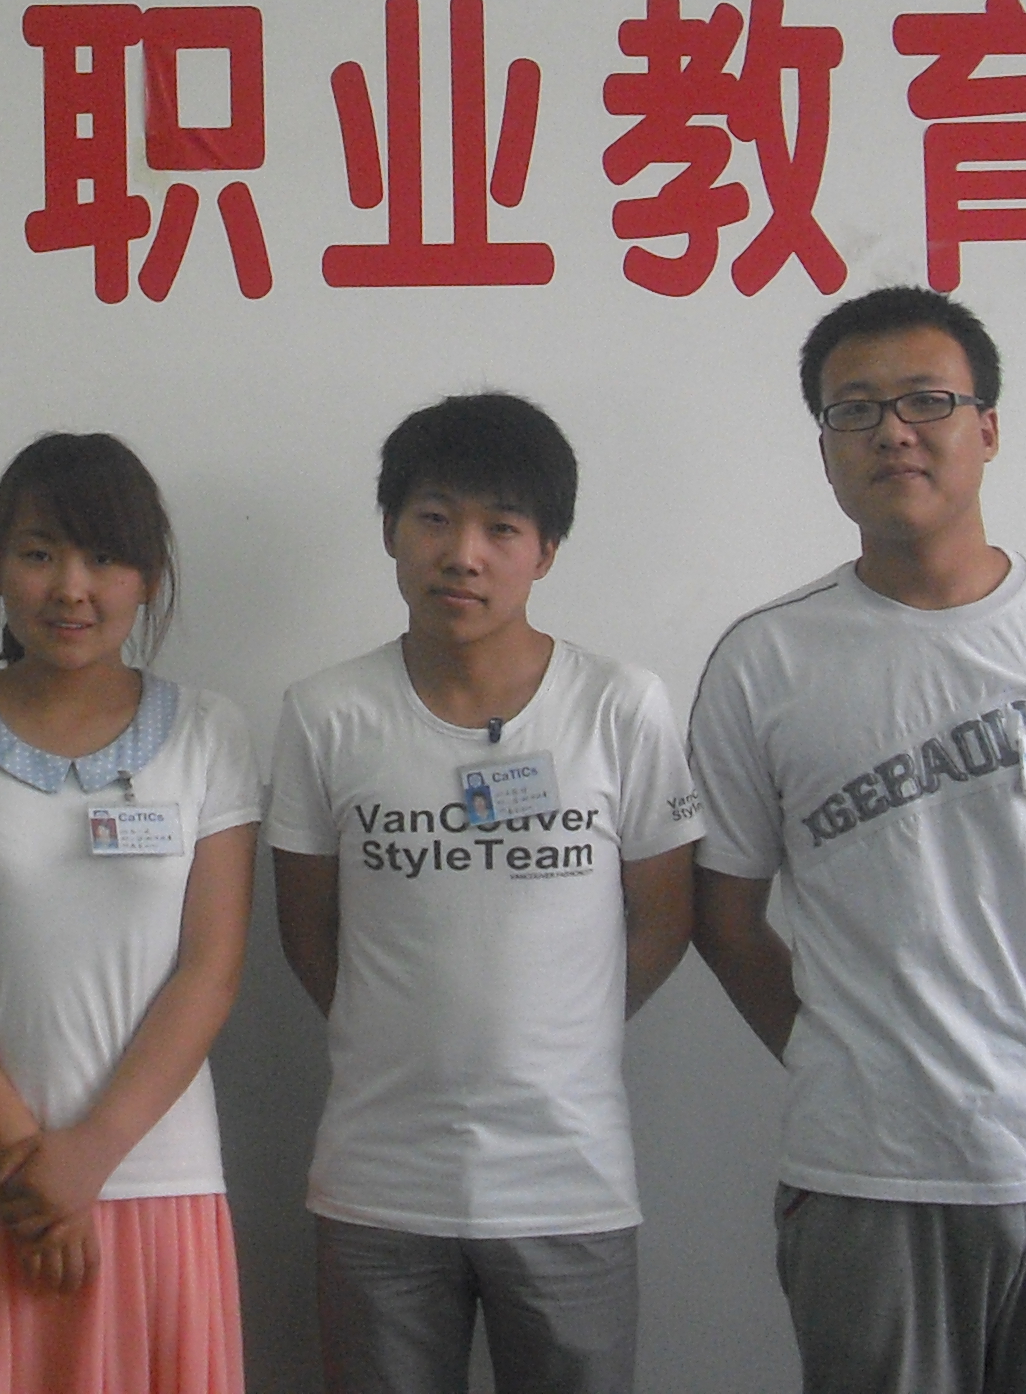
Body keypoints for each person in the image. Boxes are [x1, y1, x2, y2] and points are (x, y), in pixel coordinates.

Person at [686, 285, 1026, 1394]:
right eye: (855, 410)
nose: (893, 431)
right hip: (875, 1172)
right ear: (826, 450)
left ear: (986, 428)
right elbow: (726, 919)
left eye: (926, 401)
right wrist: (843, 1054)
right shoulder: (766, 663)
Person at [267, 393, 703, 1394]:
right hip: (379, 1183)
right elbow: (307, 932)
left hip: (568, 1181)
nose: (462, 555)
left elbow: (665, 918)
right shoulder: (325, 714)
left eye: (501, 529)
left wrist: (557, 1033)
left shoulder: (620, 706)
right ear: (390, 529)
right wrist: (401, 1035)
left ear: (545, 551)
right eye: (434, 518)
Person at [0, 433, 266, 1394]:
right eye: (40, 553)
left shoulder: (210, 731)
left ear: (149, 577)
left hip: (151, 1174)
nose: (70, 588)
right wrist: (27, 1163)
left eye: (105, 557)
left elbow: (211, 970)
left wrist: (87, 1158)